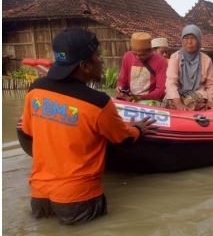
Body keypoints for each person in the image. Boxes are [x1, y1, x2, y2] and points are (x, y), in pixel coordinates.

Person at [21, 28, 157, 225]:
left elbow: (27, 132)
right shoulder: (98, 103)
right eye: (98, 57)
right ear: (85, 66)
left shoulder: (35, 90)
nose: (102, 61)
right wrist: (137, 129)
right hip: (78, 199)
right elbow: (123, 138)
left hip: (39, 196)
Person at [163, 24, 213, 111]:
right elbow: (170, 82)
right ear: (182, 40)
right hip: (178, 94)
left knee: (194, 99)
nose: (189, 42)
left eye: (193, 38)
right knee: (169, 102)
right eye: (186, 38)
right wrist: (178, 103)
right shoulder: (175, 57)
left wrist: (211, 101)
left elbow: (211, 85)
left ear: (199, 40)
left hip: (197, 94)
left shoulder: (206, 60)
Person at [116, 32, 167, 104]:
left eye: (142, 55)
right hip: (129, 99)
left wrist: (140, 98)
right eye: (134, 54)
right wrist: (120, 88)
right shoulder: (127, 56)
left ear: (150, 50)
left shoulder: (160, 61)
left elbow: (161, 90)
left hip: (150, 102)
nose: (137, 57)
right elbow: (122, 80)